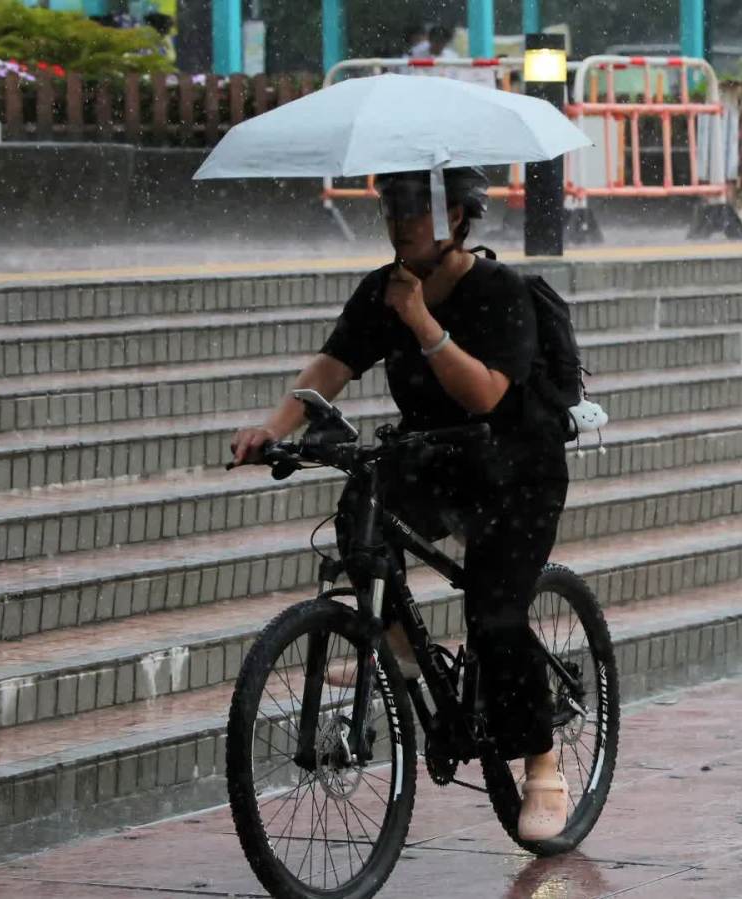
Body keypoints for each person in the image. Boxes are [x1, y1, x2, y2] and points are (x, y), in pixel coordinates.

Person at [229, 167, 573, 842]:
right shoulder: (383, 288)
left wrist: (420, 321)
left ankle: (542, 765)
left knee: (496, 616)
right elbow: (333, 365)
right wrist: (273, 427)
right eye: (393, 206)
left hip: (517, 470)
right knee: (362, 510)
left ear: (458, 219)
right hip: (437, 458)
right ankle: (394, 645)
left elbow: (487, 396)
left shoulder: (500, 291)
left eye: (417, 208)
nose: (401, 221)